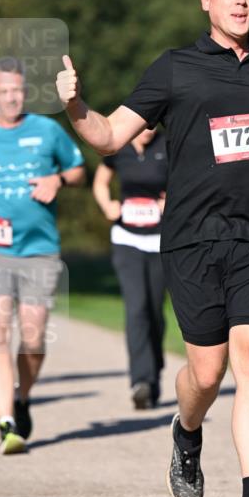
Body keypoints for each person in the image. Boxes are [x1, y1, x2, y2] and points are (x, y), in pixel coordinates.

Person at [56, 0, 249, 497]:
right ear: (206, 0)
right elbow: (109, 136)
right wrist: (74, 106)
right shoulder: (175, 68)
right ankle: (187, 429)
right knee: (206, 372)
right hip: (193, 239)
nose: (242, 1)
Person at [0, 57, 86, 454]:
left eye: (17, 91)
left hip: (38, 251)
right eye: (4, 92)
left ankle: (23, 396)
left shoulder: (47, 129)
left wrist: (57, 179)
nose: (11, 98)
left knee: (33, 336)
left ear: (24, 93)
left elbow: (78, 171)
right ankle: (6, 421)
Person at [92, 128, 167, 409]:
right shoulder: (119, 146)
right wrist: (107, 205)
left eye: (153, 124)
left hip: (161, 240)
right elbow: (101, 183)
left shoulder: (168, 144)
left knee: (154, 313)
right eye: (144, 124)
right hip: (127, 239)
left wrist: (171, 201)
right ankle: (141, 381)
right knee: (136, 309)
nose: (148, 130)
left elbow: (187, 179)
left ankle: (154, 371)